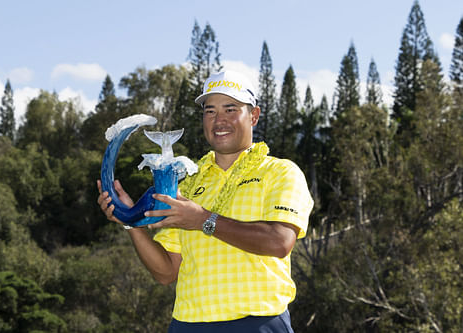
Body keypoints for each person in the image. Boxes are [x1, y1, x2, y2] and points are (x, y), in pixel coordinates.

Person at [97, 70, 314, 332]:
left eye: (230, 109)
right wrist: (130, 222)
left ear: (254, 116)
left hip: (258, 324)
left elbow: (279, 242)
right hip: (188, 325)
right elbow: (166, 272)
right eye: (210, 111)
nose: (219, 120)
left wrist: (202, 220)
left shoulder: (280, 172)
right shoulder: (186, 182)